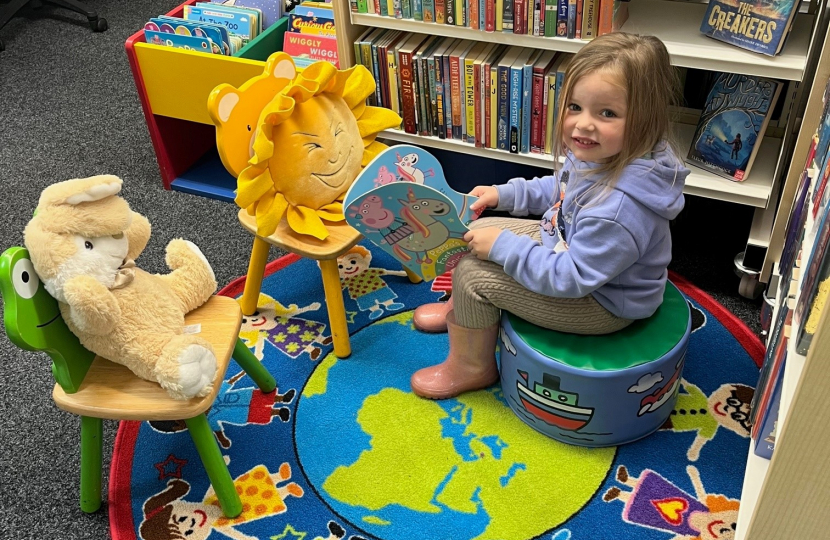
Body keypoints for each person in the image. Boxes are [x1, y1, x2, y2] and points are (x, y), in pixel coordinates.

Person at [410, 32, 690, 400]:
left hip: (603, 303)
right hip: (567, 249)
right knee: (478, 229)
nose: (583, 125)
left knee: (473, 273)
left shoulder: (618, 211)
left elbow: (571, 279)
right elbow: (560, 186)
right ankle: (463, 308)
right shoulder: (607, 152)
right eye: (575, 107)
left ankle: (471, 365)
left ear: (645, 119)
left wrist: (505, 249)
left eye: (607, 113)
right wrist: (503, 194)